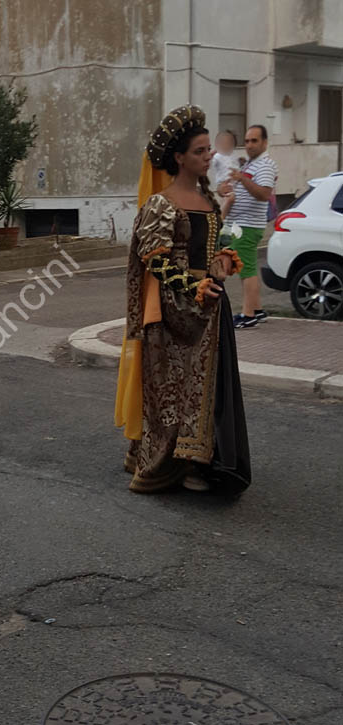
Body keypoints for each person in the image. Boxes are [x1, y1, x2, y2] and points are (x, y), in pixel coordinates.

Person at [115, 104, 251, 496]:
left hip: (210, 306)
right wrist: (192, 288)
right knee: (173, 391)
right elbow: (154, 261)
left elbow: (211, 252)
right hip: (177, 312)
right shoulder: (161, 203)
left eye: (209, 149)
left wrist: (221, 265)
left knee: (208, 391)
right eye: (200, 151)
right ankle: (169, 464)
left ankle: (202, 462)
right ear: (179, 158)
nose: (209, 156)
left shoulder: (208, 200)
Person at [219, 124, 278, 328]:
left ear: (265, 142)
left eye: (254, 141)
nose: (249, 145)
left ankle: (248, 315)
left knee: (246, 269)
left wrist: (242, 179)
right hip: (238, 224)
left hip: (248, 225)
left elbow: (263, 193)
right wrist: (226, 188)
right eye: (247, 141)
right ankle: (257, 309)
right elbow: (236, 186)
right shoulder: (250, 164)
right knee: (246, 266)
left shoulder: (265, 165)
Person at [208, 130, 240, 219]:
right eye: (222, 143)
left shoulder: (233, 156)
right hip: (223, 181)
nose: (225, 146)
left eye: (229, 143)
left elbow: (237, 167)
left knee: (230, 199)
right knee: (229, 198)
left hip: (233, 182)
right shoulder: (218, 156)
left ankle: (223, 217)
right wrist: (210, 156)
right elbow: (211, 164)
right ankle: (220, 218)